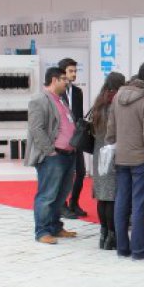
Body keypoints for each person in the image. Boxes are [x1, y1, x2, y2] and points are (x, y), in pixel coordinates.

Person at [106, 60, 144, 260]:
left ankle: (122, 247)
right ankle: (139, 250)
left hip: (121, 156)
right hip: (141, 158)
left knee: (121, 202)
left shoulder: (118, 95)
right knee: (139, 204)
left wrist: (114, 145)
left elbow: (111, 128)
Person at [25, 67, 78, 244]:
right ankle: (42, 232)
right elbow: (36, 129)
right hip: (53, 156)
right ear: (54, 80)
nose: (67, 82)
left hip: (68, 154)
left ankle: (55, 227)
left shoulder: (61, 100)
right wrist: (50, 151)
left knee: (61, 195)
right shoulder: (39, 100)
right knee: (47, 195)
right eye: (64, 79)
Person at [91, 72, 126, 250]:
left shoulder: (99, 103)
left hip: (99, 154)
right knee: (112, 197)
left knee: (102, 197)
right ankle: (112, 236)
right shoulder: (117, 104)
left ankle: (103, 234)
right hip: (112, 153)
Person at [58, 57, 86, 220]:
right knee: (63, 173)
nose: (74, 74)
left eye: (75, 71)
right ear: (62, 72)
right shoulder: (56, 93)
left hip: (76, 139)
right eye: (71, 71)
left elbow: (79, 115)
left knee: (81, 172)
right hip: (62, 140)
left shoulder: (77, 92)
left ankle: (74, 202)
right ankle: (62, 205)